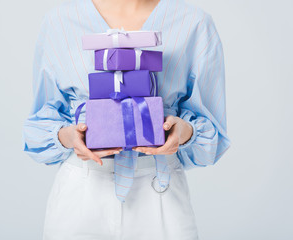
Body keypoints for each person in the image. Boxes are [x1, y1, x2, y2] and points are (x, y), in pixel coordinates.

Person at [23, 0, 231, 239]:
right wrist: (69, 136)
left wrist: (185, 133)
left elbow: (213, 133)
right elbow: (40, 122)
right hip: (81, 193)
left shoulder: (194, 22)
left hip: (160, 191)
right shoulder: (59, 22)